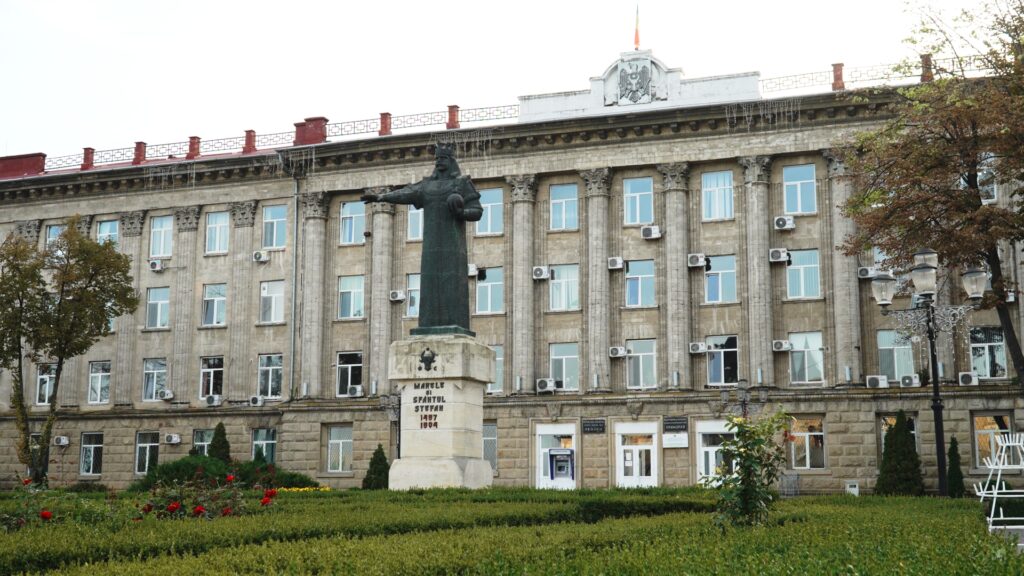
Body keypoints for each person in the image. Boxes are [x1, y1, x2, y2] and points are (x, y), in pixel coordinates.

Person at [361, 145, 482, 335]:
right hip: (431, 243)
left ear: (450, 161)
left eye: (442, 158)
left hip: (453, 245)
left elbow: (477, 211)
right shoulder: (427, 185)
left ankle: (454, 323)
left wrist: (461, 212)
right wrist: (380, 196)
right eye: (436, 159)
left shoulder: (461, 183)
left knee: (453, 281)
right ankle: (428, 324)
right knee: (429, 281)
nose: (438, 161)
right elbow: (406, 193)